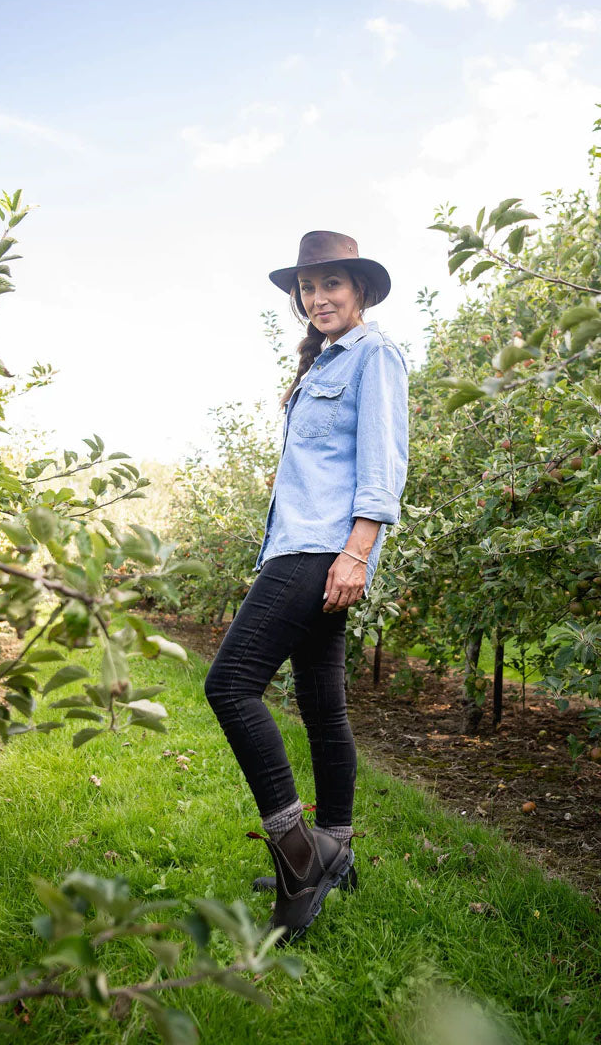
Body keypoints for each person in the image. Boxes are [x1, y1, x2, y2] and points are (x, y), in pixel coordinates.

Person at [203, 230, 409, 945]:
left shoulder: (374, 355)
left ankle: (300, 856)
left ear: (359, 290)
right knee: (323, 705)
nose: (317, 297)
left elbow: (383, 464)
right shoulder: (323, 359)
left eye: (331, 284)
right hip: (304, 545)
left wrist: (357, 554)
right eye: (308, 286)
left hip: (323, 549)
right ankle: (338, 850)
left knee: (229, 686)